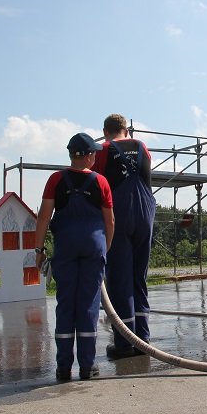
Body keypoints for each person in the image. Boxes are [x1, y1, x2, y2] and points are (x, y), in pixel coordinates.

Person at [35, 133, 115, 381]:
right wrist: (105, 248)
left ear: (71, 155)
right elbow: (109, 220)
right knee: (89, 303)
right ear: (90, 156)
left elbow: (44, 217)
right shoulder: (101, 182)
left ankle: (63, 367)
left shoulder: (56, 180)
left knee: (66, 302)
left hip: (65, 245)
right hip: (93, 245)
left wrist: (39, 251)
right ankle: (88, 366)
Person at [92, 114, 157, 358]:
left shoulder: (102, 150)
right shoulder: (143, 148)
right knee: (139, 277)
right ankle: (143, 339)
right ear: (126, 130)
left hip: (119, 213)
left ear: (105, 131)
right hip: (145, 214)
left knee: (119, 279)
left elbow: (94, 184)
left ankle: (124, 342)